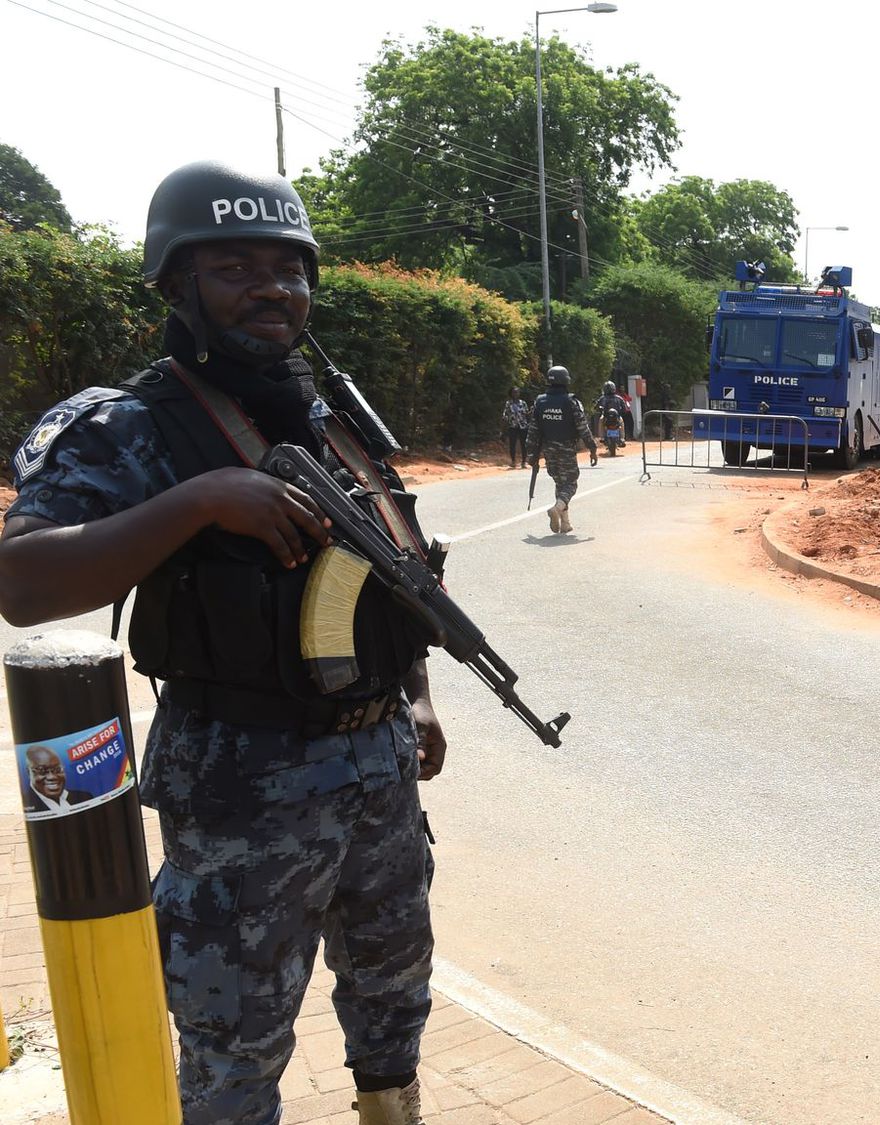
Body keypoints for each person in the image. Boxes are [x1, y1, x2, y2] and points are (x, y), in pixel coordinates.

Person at [0, 161, 443, 1125]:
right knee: (233, 1036)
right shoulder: (131, 427)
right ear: (176, 283)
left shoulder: (327, 416)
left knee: (394, 986)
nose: (272, 289)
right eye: (236, 268)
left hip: (378, 765)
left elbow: (387, 569)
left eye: (289, 269)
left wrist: (414, 694)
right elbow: (21, 583)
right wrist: (199, 501)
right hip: (244, 781)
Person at [525, 365, 597, 533]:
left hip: (548, 448)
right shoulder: (571, 401)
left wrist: (531, 453)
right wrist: (592, 448)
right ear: (566, 381)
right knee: (570, 483)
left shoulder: (540, 401)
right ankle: (557, 508)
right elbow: (583, 427)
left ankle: (565, 523)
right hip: (566, 447)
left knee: (559, 482)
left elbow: (533, 430)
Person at [23, 744, 98, 812]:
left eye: (57, 769)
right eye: (42, 770)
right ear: (28, 772)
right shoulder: (28, 805)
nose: (52, 777)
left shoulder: (84, 797)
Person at [501, 387, 530, 469]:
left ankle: (524, 462)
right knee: (512, 444)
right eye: (514, 392)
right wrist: (503, 429)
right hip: (512, 426)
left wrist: (530, 414)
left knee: (524, 444)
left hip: (523, 426)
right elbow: (505, 415)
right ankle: (513, 461)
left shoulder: (523, 403)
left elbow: (526, 414)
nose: (516, 394)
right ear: (511, 393)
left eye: (517, 392)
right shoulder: (508, 403)